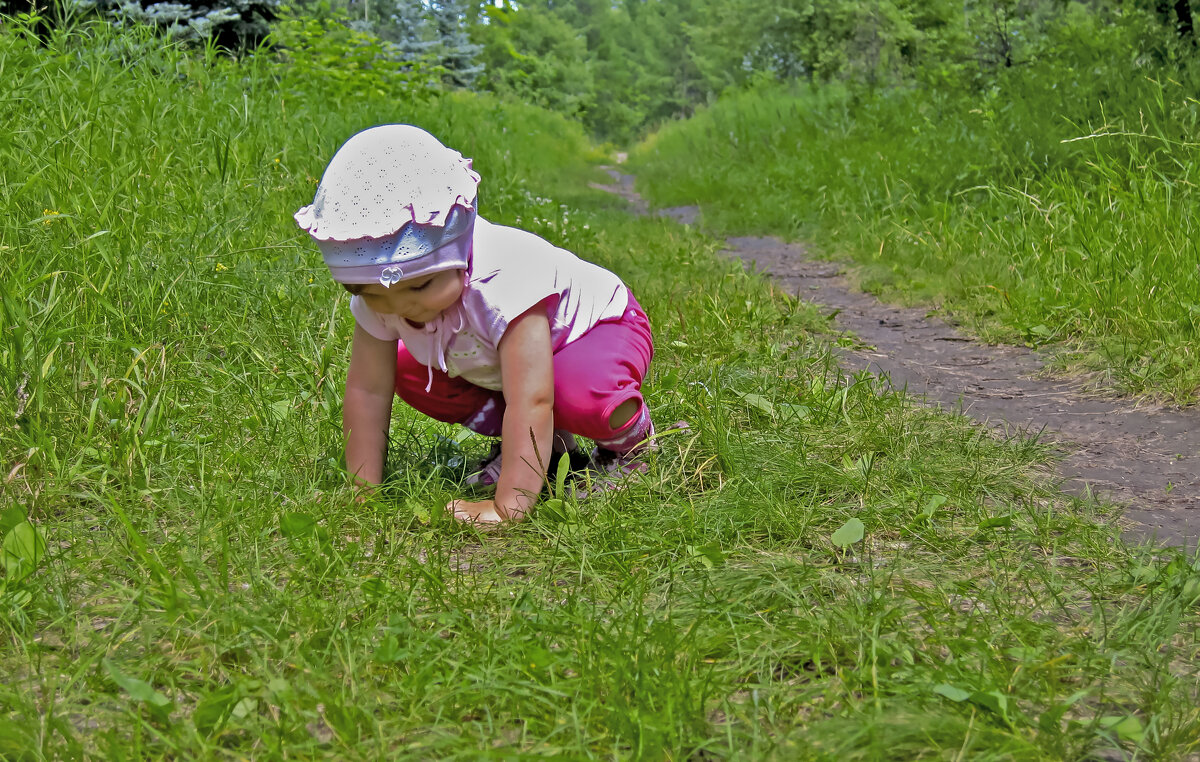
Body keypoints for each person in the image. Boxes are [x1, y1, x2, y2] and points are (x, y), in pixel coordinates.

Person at [294, 125, 655, 524]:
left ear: (458, 250)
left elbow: (533, 398)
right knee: (406, 369)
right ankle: (548, 451)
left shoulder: (503, 282)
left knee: (577, 392)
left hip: (599, 328)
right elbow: (367, 390)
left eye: (422, 285)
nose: (399, 307)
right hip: (507, 359)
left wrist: (507, 508)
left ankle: (631, 447)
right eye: (373, 295)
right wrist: (361, 495)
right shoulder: (386, 293)